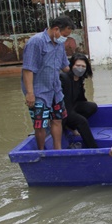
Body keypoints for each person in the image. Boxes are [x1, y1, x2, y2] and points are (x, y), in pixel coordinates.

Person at [21, 16, 75, 150]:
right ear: (56, 29)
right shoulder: (36, 42)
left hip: (55, 90)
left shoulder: (60, 44)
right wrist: (30, 93)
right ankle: (41, 151)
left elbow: (65, 67)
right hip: (39, 91)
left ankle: (58, 150)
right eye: (64, 35)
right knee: (40, 125)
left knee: (57, 120)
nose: (65, 38)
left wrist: (80, 68)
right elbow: (28, 69)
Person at [60, 53, 98, 148]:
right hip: (63, 110)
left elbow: (81, 98)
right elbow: (65, 104)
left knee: (92, 107)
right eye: (77, 65)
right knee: (82, 121)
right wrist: (76, 118)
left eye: (83, 66)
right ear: (72, 65)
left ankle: (70, 126)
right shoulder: (64, 78)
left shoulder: (80, 79)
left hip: (74, 105)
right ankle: (93, 148)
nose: (80, 68)